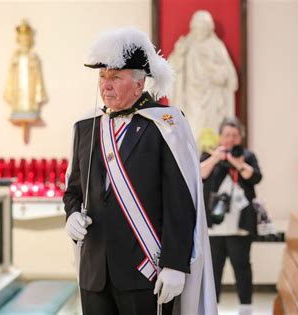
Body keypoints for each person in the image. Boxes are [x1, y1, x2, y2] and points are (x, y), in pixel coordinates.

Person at [63, 27, 217, 315]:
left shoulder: (166, 125)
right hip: (95, 272)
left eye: (115, 77)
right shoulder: (87, 126)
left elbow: (180, 203)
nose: (105, 86)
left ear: (139, 83)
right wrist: (71, 213)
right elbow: (74, 190)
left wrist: (174, 264)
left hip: (147, 272)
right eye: (102, 77)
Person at [200, 117, 262, 314]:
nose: (230, 139)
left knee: (242, 266)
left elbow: (255, 177)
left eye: (235, 135)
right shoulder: (209, 154)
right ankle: (212, 307)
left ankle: (246, 306)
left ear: (240, 137)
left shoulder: (247, 156)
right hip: (214, 226)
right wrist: (217, 158)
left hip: (240, 225)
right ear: (220, 137)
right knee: (213, 269)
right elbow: (199, 174)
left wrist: (237, 162)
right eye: (227, 135)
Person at [169, 10, 238, 142]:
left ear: (209, 29)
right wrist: (179, 54)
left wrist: (211, 67)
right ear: (193, 27)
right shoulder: (186, 45)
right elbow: (172, 68)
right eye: (198, 28)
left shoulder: (216, 46)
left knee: (211, 133)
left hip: (211, 99)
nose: (201, 31)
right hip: (189, 99)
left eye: (204, 28)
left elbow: (228, 75)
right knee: (190, 133)